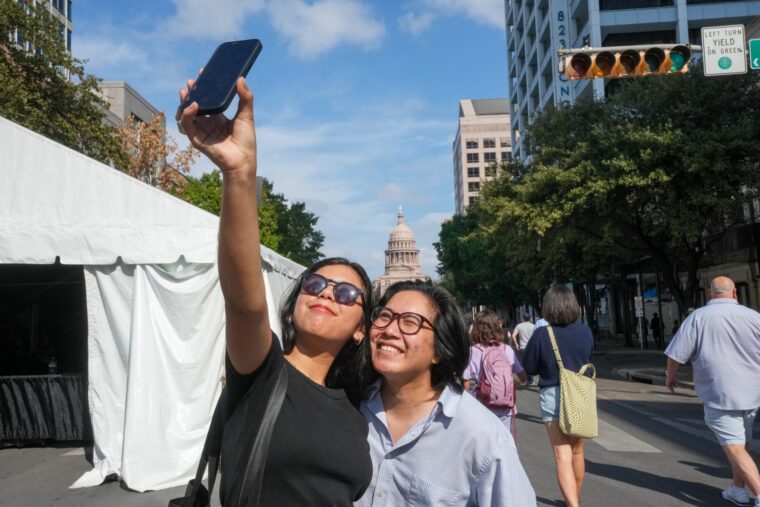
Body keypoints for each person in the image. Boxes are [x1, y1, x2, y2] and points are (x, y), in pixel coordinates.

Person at [177, 77, 372, 505]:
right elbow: (244, 305)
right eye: (316, 284)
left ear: (362, 328)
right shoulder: (262, 374)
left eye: (344, 294)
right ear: (292, 305)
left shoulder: (358, 406)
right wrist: (240, 173)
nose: (325, 294)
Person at [356, 281, 536, 506]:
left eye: (410, 323)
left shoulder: (482, 437)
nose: (390, 330)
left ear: (439, 351)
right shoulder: (352, 407)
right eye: (384, 316)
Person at [665, 276, 760, 507]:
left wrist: (671, 375)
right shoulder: (755, 317)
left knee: (735, 447)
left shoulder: (698, 318)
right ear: (735, 293)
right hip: (753, 393)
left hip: (720, 394)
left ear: (709, 294)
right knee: (742, 443)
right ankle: (738, 490)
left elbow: (676, 354)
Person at [521, 286, 594, 507]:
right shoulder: (585, 331)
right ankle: (575, 498)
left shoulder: (543, 334)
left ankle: (572, 503)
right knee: (578, 450)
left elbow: (529, 368)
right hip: (580, 394)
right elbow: (588, 357)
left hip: (553, 393)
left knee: (562, 453)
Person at [463, 310, 527, 435]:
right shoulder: (507, 349)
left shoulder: (472, 351)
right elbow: (522, 377)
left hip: (480, 407)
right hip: (505, 407)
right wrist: (514, 383)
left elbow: (465, 385)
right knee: (503, 444)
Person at [514, 314, 537, 384]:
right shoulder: (534, 326)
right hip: (531, 346)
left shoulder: (519, 326)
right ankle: (531, 378)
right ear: (530, 318)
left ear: (523, 318)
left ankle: (528, 379)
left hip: (523, 347)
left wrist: (516, 344)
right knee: (532, 362)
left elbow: (513, 335)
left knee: (524, 363)